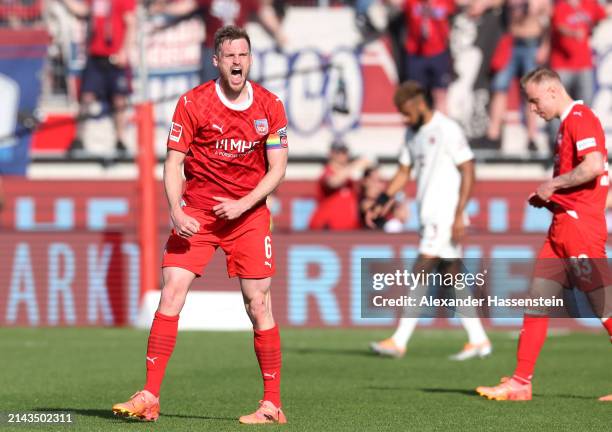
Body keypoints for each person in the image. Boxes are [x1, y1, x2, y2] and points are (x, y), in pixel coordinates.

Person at [112, 25, 289, 423]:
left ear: (250, 59)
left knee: (257, 304)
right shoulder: (193, 103)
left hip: (248, 215)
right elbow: (173, 162)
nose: (237, 62)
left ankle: (271, 403)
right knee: (171, 292)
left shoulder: (270, 105)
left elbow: (278, 168)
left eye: (243, 55)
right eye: (230, 56)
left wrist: (244, 204)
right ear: (216, 60)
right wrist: (176, 208)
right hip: (198, 215)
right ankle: (149, 395)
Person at [476, 67, 612, 401]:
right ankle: (521, 382)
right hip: (562, 226)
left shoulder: (580, 117)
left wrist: (554, 184)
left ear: (552, 91)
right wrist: (551, 198)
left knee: (605, 307)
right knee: (537, 302)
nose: (533, 109)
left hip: (580, 228)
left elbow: (594, 165)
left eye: (535, 101)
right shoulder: (567, 126)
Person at [367, 81, 492, 361]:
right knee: (452, 275)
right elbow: (403, 171)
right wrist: (382, 202)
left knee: (421, 269)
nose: (404, 118)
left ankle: (399, 341)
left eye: (406, 112)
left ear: (420, 103)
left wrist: (460, 213)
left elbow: (468, 169)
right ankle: (479, 340)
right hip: (428, 214)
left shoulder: (447, 129)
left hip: (445, 214)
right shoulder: (413, 135)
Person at [60, 0, 136, 158]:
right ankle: (79, 138)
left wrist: (125, 51)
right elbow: (82, 10)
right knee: (86, 97)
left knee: (119, 99)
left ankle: (120, 139)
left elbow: (131, 23)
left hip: (115, 57)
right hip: (95, 56)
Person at [152, 0, 285, 82]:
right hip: (213, 50)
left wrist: (278, 33)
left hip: (237, 50)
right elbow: (187, 5)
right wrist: (163, 9)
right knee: (210, 91)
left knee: (241, 90)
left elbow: (263, 12)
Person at [546, 0, 612, 156]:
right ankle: (557, 148)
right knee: (557, 107)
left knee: (584, 108)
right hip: (562, 65)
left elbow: (604, 13)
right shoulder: (561, 6)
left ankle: (582, 146)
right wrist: (574, 32)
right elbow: (559, 26)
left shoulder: (589, 4)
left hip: (584, 65)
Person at [485, 0, 551, 152]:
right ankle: (493, 134)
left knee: (531, 93)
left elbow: (548, 23)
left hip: (531, 44)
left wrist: (545, 46)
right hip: (512, 43)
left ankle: (531, 137)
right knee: (499, 86)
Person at [308, 140, 369, 231]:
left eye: (344, 151)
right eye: (338, 152)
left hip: (350, 230)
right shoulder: (327, 172)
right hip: (327, 230)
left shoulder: (350, 179)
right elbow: (333, 182)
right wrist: (355, 165)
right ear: (330, 154)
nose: (341, 155)